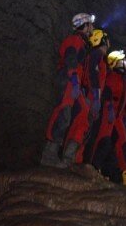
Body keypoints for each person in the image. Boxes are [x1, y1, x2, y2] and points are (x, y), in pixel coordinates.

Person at [41, 12, 95, 167]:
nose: (92, 27)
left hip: (74, 81)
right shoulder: (74, 40)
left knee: (81, 114)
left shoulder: (82, 43)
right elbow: (70, 60)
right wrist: (73, 80)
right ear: (84, 25)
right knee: (63, 113)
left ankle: (68, 157)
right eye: (90, 24)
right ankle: (49, 154)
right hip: (68, 79)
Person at [87, 49, 126, 181]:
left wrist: (122, 114)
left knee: (121, 144)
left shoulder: (122, 80)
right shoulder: (112, 77)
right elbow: (108, 95)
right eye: (123, 60)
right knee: (102, 140)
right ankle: (91, 167)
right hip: (107, 114)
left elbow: (120, 100)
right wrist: (110, 108)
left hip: (116, 116)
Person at [68, 27, 109, 164]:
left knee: (86, 129)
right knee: (83, 125)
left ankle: (76, 159)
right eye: (106, 40)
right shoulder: (96, 55)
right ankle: (70, 157)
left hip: (92, 96)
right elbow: (92, 75)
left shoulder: (100, 58)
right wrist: (96, 98)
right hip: (90, 96)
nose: (108, 43)